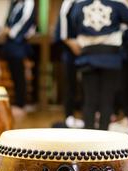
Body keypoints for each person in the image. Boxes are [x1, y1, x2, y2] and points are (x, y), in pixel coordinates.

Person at [64, 0, 128, 130]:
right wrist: (125, 37)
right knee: (107, 100)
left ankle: (88, 138)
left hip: (88, 55)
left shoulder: (79, 5)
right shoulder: (116, 4)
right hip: (110, 56)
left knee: (89, 100)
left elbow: (71, 25)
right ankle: (103, 140)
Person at [0, 0, 36, 118]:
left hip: (18, 43)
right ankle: (17, 102)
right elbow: (8, 20)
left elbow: (25, 21)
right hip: (10, 44)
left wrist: (11, 31)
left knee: (20, 75)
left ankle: (21, 104)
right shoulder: (14, 3)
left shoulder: (29, 3)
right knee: (14, 74)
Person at [53, 0, 83, 128]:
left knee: (87, 85)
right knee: (69, 83)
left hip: (88, 48)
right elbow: (62, 28)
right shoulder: (69, 3)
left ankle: (87, 115)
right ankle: (69, 116)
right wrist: (71, 43)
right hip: (69, 48)